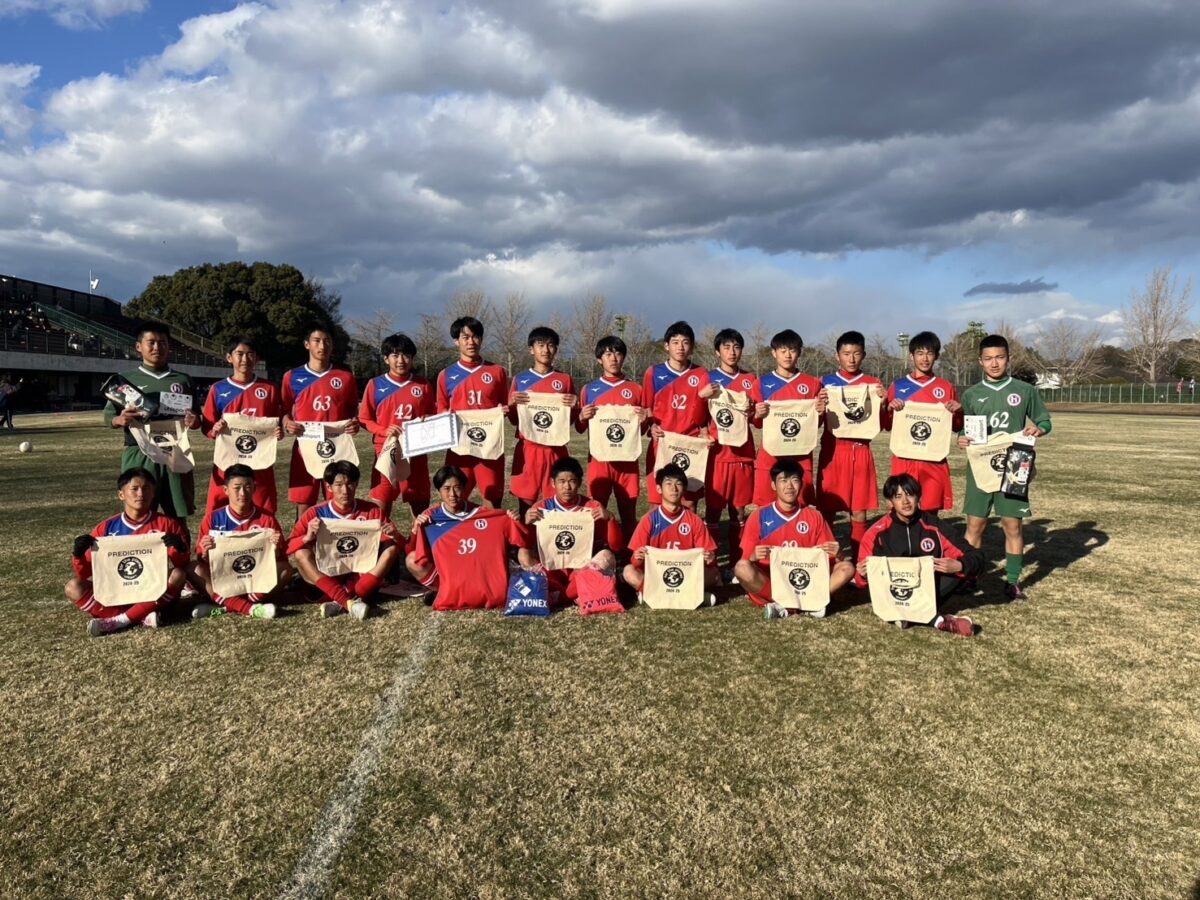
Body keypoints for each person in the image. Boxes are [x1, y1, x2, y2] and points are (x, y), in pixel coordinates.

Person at [957, 334, 1052, 600]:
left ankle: (1012, 581)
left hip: (1015, 464)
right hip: (981, 465)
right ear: (980, 361)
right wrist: (961, 438)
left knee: (1013, 525)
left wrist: (1039, 429)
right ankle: (969, 578)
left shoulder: (1024, 390)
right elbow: (965, 430)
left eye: (999, 357)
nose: (994, 363)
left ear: (1008, 359)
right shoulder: (972, 394)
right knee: (975, 525)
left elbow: (1045, 421)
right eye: (988, 358)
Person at [65, 468, 190, 636]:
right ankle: (139, 617)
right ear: (121, 494)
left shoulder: (167, 524)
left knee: (178, 574)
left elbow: (182, 564)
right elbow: (85, 573)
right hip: (116, 590)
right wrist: (78, 555)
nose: (141, 494)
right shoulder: (106, 528)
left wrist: (179, 549)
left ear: (153, 493)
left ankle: (118, 621)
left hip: (152, 590)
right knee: (73, 587)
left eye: (146, 488)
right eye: (134, 489)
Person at [854, 474, 981, 637]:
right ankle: (937, 620)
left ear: (918, 496)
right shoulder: (876, 533)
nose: (905, 501)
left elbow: (976, 557)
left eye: (909, 494)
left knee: (955, 573)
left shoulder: (935, 526)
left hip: (927, 588)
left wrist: (960, 565)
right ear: (889, 502)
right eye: (898, 496)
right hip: (894, 592)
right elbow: (861, 581)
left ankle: (907, 617)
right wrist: (862, 574)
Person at [103, 322, 201, 526]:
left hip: (174, 450)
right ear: (139, 346)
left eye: (162, 342)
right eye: (152, 342)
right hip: (139, 451)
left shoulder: (183, 379)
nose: (157, 347)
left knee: (177, 514)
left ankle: (180, 547)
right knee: (140, 513)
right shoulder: (125, 379)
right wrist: (119, 419)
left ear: (169, 346)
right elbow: (109, 416)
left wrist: (194, 421)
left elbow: (196, 419)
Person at [734, 459, 855, 616]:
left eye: (794, 480)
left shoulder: (814, 517)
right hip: (772, 580)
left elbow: (831, 561)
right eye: (783, 480)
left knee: (847, 568)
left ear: (801, 484)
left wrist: (839, 554)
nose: (789, 486)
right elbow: (746, 560)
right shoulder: (759, 516)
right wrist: (754, 556)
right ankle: (798, 604)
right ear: (773, 485)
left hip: (806, 580)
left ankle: (793, 605)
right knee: (741, 568)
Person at [406, 465, 532, 610]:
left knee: (522, 556)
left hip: (479, 573)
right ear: (439, 491)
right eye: (446, 489)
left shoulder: (484, 514)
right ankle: (444, 590)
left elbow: (523, 542)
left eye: (457, 488)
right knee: (411, 559)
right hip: (447, 569)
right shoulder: (430, 518)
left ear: (465, 488)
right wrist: (415, 531)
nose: (452, 494)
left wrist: (513, 520)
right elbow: (412, 551)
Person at [287, 461, 401, 620]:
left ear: (356, 484)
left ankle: (342, 600)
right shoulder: (315, 513)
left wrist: (395, 535)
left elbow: (402, 545)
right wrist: (307, 537)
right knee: (301, 553)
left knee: (391, 548)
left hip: (359, 574)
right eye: (339, 485)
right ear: (328, 487)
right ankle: (349, 602)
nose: (345, 490)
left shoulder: (371, 511)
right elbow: (288, 548)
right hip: (327, 573)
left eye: (350, 484)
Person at [190, 464, 291, 620]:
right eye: (237, 488)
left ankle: (228, 606)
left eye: (248, 487)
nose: (243, 493)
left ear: (254, 488)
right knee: (193, 568)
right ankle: (250, 608)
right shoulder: (213, 518)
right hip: (224, 579)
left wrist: (276, 549)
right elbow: (202, 560)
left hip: (255, 581)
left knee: (285, 569)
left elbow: (280, 560)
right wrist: (204, 551)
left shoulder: (266, 519)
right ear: (226, 490)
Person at [280, 324, 360, 521]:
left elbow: (353, 410)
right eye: (316, 341)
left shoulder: (345, 377)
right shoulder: (292, 376)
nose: (322, 346)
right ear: (307, 344)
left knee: (339, 501)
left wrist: (354, 422)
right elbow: (283, 411)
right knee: (305, 501)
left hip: (337, 447)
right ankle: (304, 538)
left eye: (327, 341)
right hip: (305, 446)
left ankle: (337, 538)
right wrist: (287, 422)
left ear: (332, 345)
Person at [698, 328, 760, 578]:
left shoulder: (750, 380)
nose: (732, 352)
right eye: (726, 347)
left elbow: (756, 419)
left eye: (736, 347)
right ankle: (712, 564)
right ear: (717, 351)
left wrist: (756, 413)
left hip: (743, 455)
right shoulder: (708, 379)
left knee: (739, 511)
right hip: (717, 456)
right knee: (713, 511)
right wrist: (703, 428)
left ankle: (737, 564)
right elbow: (697, 414)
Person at [818, 330, 885, 557]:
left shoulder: (873, 384)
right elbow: (815, 421)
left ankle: (858, 562)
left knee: (859, 513)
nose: (852, 358)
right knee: (827, 510)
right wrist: (818, 408)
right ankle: (827, 561)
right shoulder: (825, 383)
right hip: (833, 452)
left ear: (863, 355)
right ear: (837, 356)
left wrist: (883, 404)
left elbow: (882, 423)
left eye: (856, 353)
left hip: (860, 451)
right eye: (846, 354)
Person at [882, 331, 963, 514]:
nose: (925, 358)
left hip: (933, 460)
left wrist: (959, 412)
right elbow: (887, 425)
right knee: (902, 511)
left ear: (937, 356)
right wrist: (888, 409)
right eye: (920, 353)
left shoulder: (945, 387)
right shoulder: (898, 386)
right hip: (905, 458)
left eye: (929, 353)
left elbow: (956, 426)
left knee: (930, 512)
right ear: (911, 356)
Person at [577, 335, 647, 545]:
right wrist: (581, 417)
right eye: (608, 354)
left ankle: (628, 555)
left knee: (628, 510)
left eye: (618, 353)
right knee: (596, 509)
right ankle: (598, 552)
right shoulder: (589, 390)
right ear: (599, 359)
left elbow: (641, 431)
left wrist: (643, 420)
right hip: (599, 460)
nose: (613, 358)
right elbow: (580, 428)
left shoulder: (636, 389)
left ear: (624, 357)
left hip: (627, 461)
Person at [524, 457, 623, 605]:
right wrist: (526, 524)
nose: (567, 487)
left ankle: (562, 596)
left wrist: (610, 519)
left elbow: (616, 547)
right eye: (562, 481)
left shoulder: (592, 506)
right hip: (553, 570)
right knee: (523, 554)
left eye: (572, 481)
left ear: (579, 483)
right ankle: (576, 592)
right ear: (553, 483)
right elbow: (526, 544)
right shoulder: (542, 507)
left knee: (606, 556)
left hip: (582, 568)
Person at [201, 336, 283, 514]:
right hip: (227, 459)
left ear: (257, 358)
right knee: (220, 509)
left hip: (259, 461)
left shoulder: (269, 388)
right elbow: (207, 426)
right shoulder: (218, 389)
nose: (245, 359)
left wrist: (279, 431)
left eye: (250, 354)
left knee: (263, 508)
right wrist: (214, 429)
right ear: (229, 357)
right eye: (239, 354)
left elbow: (278, 422)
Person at [359, 332, 436, 520]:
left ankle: (418, 538)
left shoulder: (423, 385)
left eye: (406, 355)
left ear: (412, 358)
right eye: (395, 355)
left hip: (416, 451)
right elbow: (365, 419)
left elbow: (434, 415)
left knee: (420, 506)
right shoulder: (375, 385)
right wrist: (383, 430)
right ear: (386, 359)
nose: (401, 360)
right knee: (381, 506)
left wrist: (429, 419)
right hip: (386, 451)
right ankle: (382, 538)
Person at [436, 316, 510, 508]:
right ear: (456, 341)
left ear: (481, 339)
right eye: (465, 337)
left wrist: (504, 410)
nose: (471, 342)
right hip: (459, 447)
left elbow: (505, 405)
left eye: (476, 336)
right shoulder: (446, 375)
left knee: (492, 500)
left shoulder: (497, 371)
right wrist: (445, 415)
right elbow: (441, 409)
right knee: (455, 500)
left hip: (489, 446)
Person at [622, 464, 719, 602]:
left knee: (714, 574)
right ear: (659, 489)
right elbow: (635, 561)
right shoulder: (649, 519)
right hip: (656, 574)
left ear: (684, 489)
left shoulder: (694, 520)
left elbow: (710, 559)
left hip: (685, 574)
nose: (674, 488)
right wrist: (638, 557)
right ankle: (692, 596)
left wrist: (710, 558)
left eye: (678, 484)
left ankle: (652, 594)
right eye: (668, 484)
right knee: (629, 571)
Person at [641, 321, 712, 509]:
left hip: (690, 442)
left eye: (685, 342)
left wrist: (704, 431)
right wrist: (652, 425)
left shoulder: (700, 373)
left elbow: (704, 412)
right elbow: (647, 407)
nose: (680, 347)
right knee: (658, 503)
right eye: (675, 342)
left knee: (689, 502)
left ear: (692, 347)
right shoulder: (654, 373)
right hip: (663, 442)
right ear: (666, 346)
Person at [753, 329, 826, 508]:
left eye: (792, 350)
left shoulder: (813, 384)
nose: (787, 355)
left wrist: (820, 412)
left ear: (799, 352)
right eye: (783, 350)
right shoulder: (761, 383)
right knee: (767, 505)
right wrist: (757, 414)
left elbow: (816, 424)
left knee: (799, 505)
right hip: (770, 454)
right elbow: (756, 423)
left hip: (800, 454)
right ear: (774, 352)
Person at [509, 326, 577, 516]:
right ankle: (526, 535)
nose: (546, 350)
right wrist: (512, 405)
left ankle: (554, 534)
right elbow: (514, 420)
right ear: (531, 349)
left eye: (550, 345)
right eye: (540, 345)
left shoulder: (564, 379)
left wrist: (575, 407)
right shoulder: (520, 379)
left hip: (555, 448)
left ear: (556, 349)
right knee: (526, 504)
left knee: (557, 503)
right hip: (529, 449)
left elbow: (569, 421)